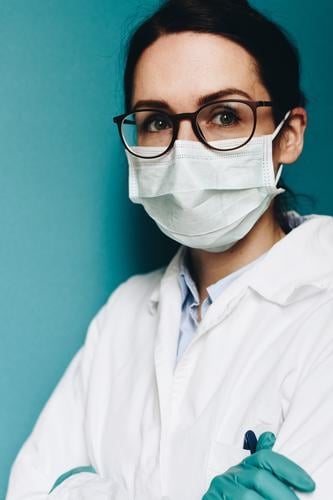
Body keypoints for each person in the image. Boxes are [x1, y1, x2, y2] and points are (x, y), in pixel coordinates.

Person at [6, 0, 333, 499]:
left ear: (287, 136)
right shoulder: (123, 315)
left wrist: (85, 489)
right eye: (156, 120)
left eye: (224, 115)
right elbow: (27, 489)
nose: (184, 149)